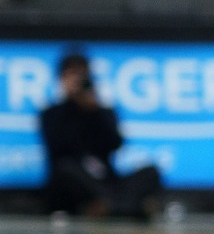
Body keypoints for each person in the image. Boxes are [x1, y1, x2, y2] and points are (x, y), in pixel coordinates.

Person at [39, 53, 162, 219]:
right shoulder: (51, 113)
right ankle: (130, 207)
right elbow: (58, 146)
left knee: (151, 171)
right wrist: (72, 106)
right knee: (65, 168)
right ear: (61, 79)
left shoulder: (102, 111)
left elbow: (116, 143)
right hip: (80, 183)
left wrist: (93, 111)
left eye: (81, 75)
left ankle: (109, 206)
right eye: (71, 76)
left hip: (107, 182)